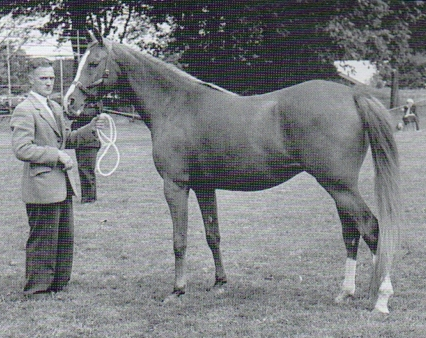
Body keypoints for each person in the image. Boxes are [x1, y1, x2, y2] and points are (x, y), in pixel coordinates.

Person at [10, 58, 106, 298]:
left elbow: (67, 139)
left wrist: (92, 127)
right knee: (43, 239)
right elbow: (22, 149)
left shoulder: (53, 107)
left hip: (62, 185)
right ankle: (37, 289)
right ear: (30, 80)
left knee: (64, 237)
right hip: (41, 185)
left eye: (51, 78)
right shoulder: (25, 109)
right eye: (43, 78)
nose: (48, 82)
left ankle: (58, 283)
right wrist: (57, 156)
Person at [70, 103, 101, 203]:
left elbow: (89, 114)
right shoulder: (81, 102)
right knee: (83, 168)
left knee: (87, 169)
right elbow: (70, 114)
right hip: (79, 139)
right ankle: (87, 196)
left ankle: (90, 197)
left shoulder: (94, 102)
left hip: (89, 141)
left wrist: (78, 113)